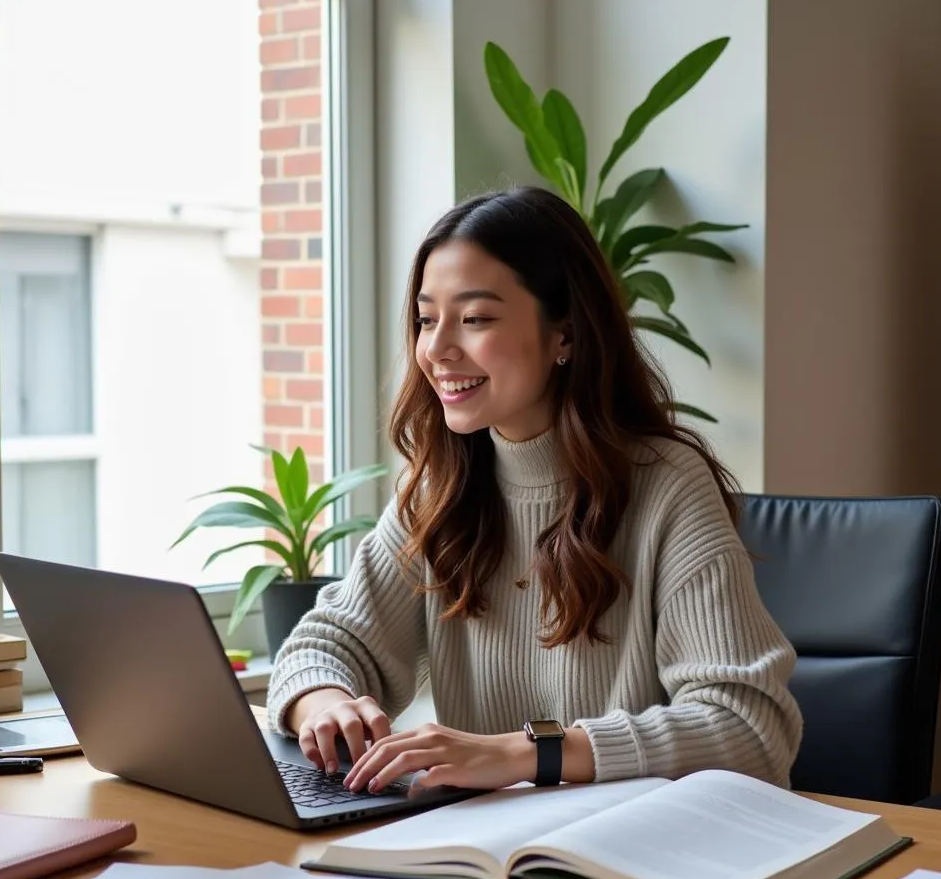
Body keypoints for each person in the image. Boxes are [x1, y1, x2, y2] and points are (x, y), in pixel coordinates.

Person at [267, 185, 802, 797]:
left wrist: (525, 753)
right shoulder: (443, 486)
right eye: (425, 319)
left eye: (475, 319)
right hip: (484, 853)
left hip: (634, 851)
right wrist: (325, 704)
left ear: (564, 335)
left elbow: (749, 729)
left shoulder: (668, 487)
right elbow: (325, 642)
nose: (436, 350)